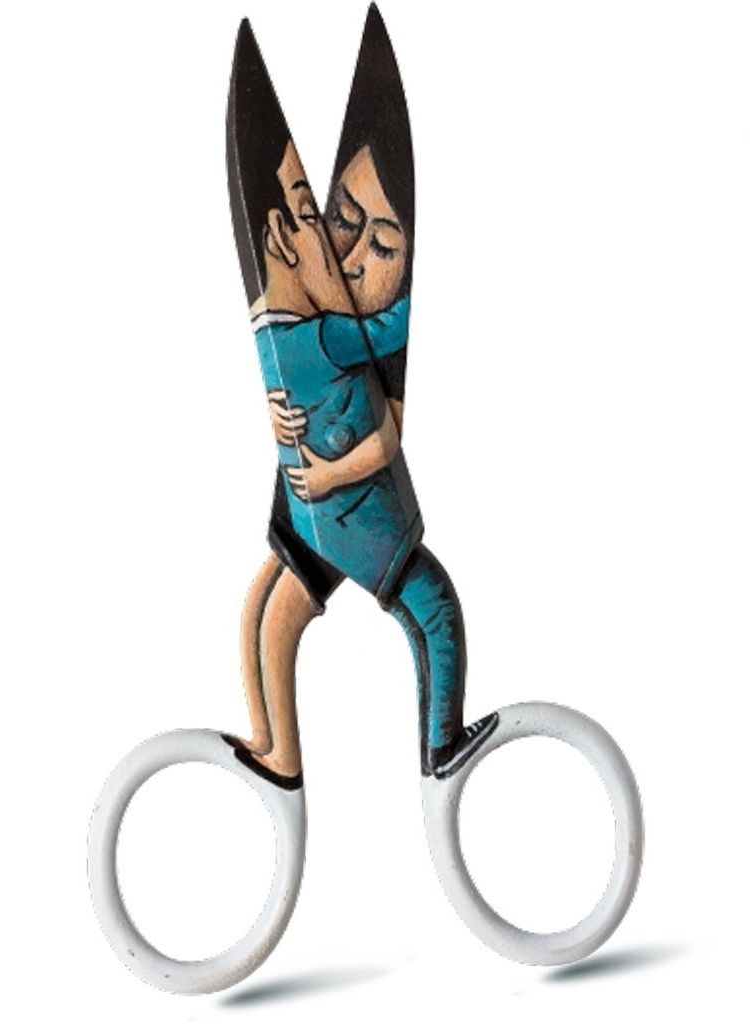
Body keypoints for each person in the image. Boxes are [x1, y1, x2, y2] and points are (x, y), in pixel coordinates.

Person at [226, 21, 495, 788]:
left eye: (382, 245)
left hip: (346, 509)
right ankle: (300, 758)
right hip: (338, 515)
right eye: (336, 221)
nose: (346, 254)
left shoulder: (307, 333)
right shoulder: (318, 334)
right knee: (296, 615)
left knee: (279, 613)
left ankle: (299, 758)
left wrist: (325, 467)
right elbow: (384, 331)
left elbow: (384, 343)